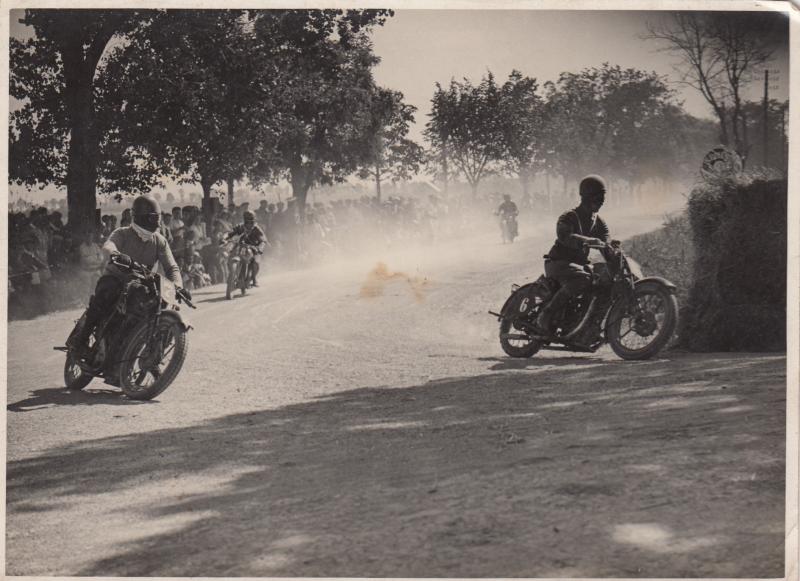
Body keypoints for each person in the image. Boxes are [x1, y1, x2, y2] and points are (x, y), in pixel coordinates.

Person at [68, 195, 186, 357]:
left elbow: (172, 267)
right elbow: (108, 246)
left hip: (142, 283)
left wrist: (177, 285)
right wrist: (115, 253)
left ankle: (152, 354)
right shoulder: (123, 233)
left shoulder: (159, 240)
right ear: (141, 217)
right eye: (153, 218)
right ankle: (81, 341)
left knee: (161, 307)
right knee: (105, 295)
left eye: (157, 218)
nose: (156, 222)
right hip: (116, 278)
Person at [536, 175, 611, 334]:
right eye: (598, 197)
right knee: (582, 279)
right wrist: (588, 240)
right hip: (558, 263)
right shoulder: (569, 216)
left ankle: (586, 327)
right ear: (586, 196)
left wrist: (612, 249)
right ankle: (546, 314)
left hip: (579, 265)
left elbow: (605, 240)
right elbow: (564, 236)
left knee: (603, 279)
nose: (601, 201)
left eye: (602, 197)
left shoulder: (598, 221)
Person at [222, 210, 266, 286]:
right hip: (240, 245)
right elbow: (230, 233)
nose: (249, 223)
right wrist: (224, 237)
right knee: (230, 256)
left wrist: (260, 247)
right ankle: (233, 274)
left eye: (251, 220)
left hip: (253, 248)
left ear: (254, 219)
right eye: (247, 220)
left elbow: (263, 239)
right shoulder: (240, 226)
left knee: (256, 262)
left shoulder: (256, 229)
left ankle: (253, 278)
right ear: (244, 219)